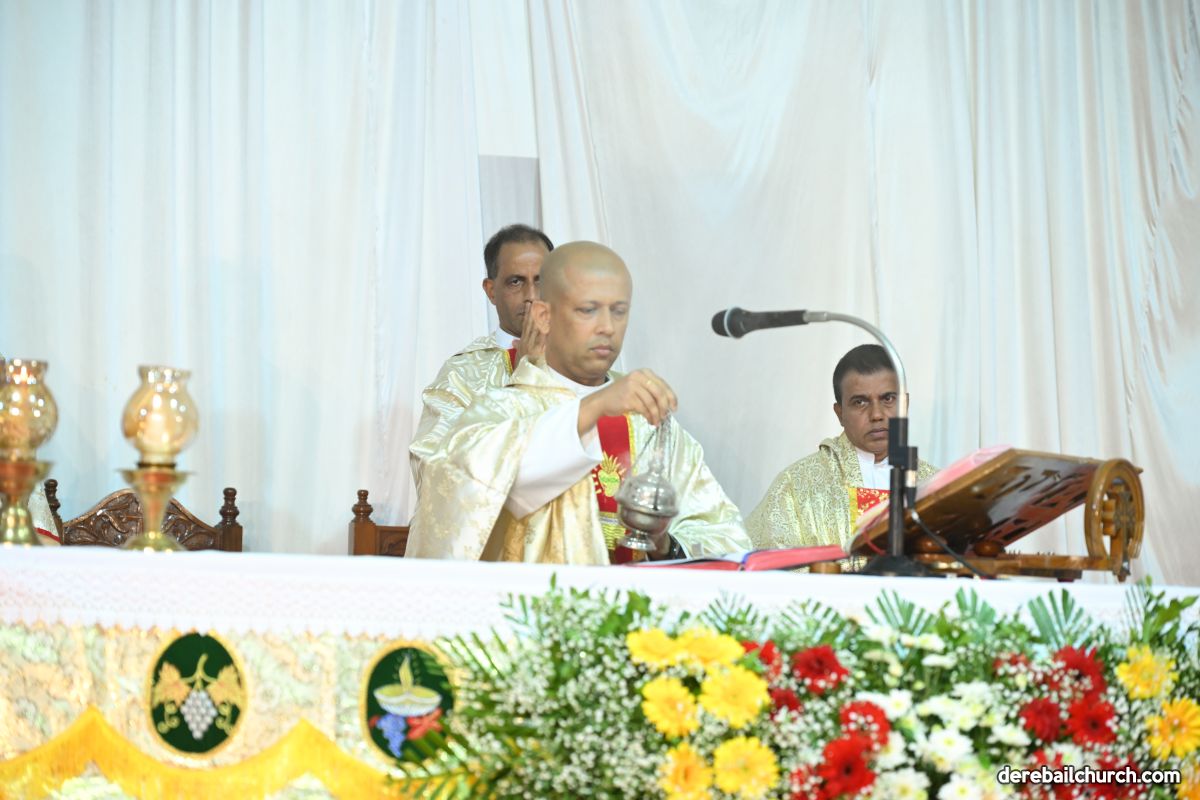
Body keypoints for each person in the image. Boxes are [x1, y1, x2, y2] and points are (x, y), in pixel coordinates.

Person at [406, 241, 748, 564]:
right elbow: (465, 488)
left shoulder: (645, 418)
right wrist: (595, 407)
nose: (607, 327)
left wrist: (663, 544)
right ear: (543, 316)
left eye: (619, 311)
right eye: (588, 310)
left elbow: (724, 538)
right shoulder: (504, 409)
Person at [746, 344, 937, 550]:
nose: (876, 415)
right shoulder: (795, 486)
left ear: (905, 405)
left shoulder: (935, 485)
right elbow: (762, 560)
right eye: (860, 402)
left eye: (888, 399)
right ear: (840, 413)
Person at [409, 224, 553, 494]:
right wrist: (524, 375)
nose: (532, 296)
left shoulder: (582, 365)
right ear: (491, 290)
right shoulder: (462, 375)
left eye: (541, 280)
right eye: (516, 282)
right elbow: (434, 473)